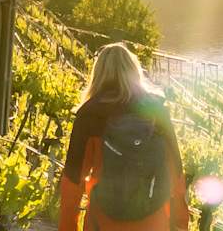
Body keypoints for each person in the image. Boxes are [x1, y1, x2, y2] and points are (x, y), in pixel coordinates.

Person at [60, 43, 189, 231]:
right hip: (154, 223)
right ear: (135, 72)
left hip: (103, 224)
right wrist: (180, 226)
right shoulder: (156, 111)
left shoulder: (89, 114)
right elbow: (176, 175)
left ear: (98, 74)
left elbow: (72, 182)